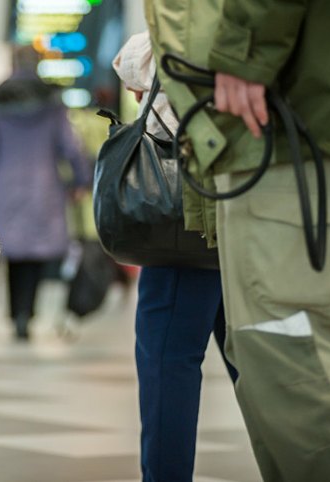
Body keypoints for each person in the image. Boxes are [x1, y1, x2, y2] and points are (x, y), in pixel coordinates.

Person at [146, 0, 330, 480]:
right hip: (278, 138)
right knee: (275, 356)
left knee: (290, 362)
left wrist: (243, 55)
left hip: (282, 140)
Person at [113, 31, 238, 482]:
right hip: (256, 198)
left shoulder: (193, 14)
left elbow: (133, 60)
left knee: (168, 358)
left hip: (190, 207)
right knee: (260, 358)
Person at [0, 45, 90, 340]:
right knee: (35, 254)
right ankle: (26, 314)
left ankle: (15, 314)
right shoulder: (52, 101)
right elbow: (69, 145)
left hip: (4, 186)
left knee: (10, 252)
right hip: (43, 187)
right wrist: (81, 179)